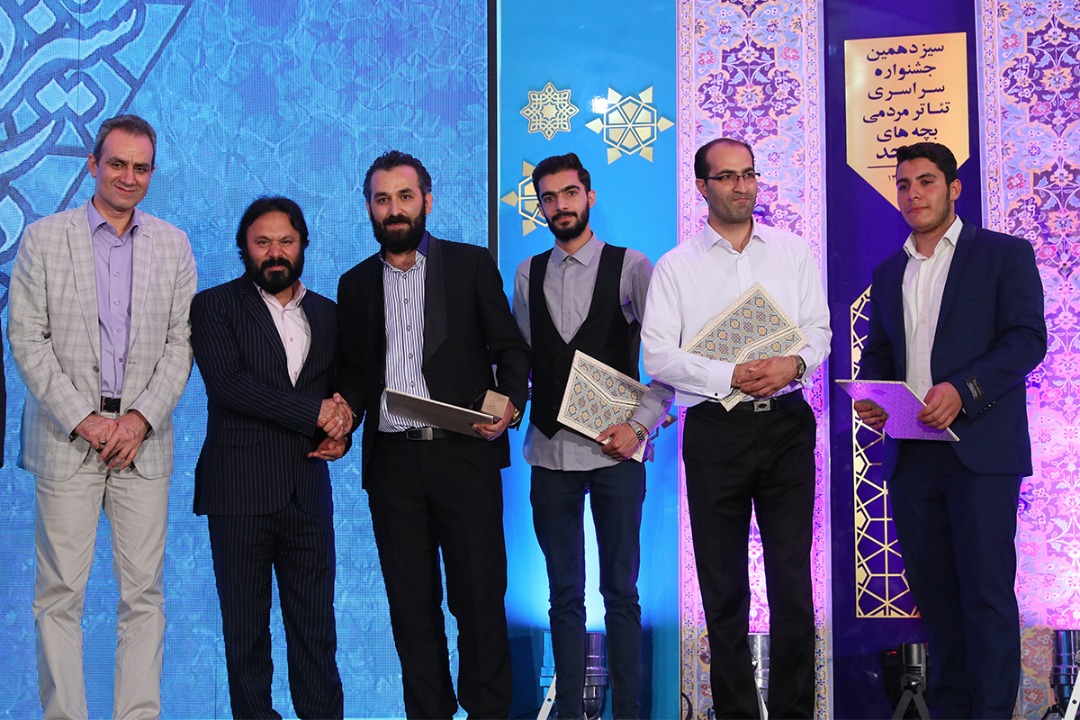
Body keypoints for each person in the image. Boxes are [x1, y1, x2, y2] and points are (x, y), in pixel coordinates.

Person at [7, 113, 197, 719]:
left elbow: (181, 345)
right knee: (59, 595)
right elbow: (26, 339)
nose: (128, 177)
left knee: (144, 596)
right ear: (93, 165)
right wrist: (86, 421)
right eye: (117, 163)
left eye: (141, 167)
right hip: (68, 441)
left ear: (152, 172)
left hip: (144, 444)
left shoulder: (174, 244)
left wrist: (138, 421)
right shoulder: (43, 239)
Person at [854, 142, 1046, 719]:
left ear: (954, 188)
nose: (913, 194)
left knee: (986, 597)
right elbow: (880, 352)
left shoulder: (1004, 254)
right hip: (913, 455)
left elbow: (1027, 340)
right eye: (904, 184)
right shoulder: (889, 271)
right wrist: (874, 396)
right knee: (936, 602)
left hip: (980, 453)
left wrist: (963, 390)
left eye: (926, 181)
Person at [336, 150, 530, 719]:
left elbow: (510, 348)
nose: (394, 209)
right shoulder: (354, 284)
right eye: (382, 199)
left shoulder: (469, 264)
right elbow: (355, 373)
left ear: (427, 200)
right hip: (392, 466)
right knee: (411, 609)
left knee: (480, 601)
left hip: (464, 456)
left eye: (405, 196)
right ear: (369, 208)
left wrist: (508, 402)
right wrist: (341, 420)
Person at [640, 138, 830, 719]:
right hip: (714, 431)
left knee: (792, 584)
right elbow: (658, 357)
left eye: (748, 174)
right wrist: (732, 374)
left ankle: (795, 713)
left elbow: (819, 331)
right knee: (722, 590)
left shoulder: (792, 251)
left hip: (788, 425)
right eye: (726, 177)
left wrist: (793, 364)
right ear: (702, 186)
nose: (741, 185)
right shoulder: (676, 266)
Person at [512, 152, 672, 720]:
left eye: (570, 193)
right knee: (563, 596)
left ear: (590, 196)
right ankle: (569, 713)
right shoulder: (527, 274)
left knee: (621, 593)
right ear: (540, 206)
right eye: (549, 198)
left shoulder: (632, 266)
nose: (560, 205)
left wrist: (639, 427)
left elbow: (668, 361)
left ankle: (626, 711)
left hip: (616, 455)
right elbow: (523, 360)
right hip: (549, 452)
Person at [191, 196, 351, 719]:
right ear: (244, 247)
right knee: (246, 636)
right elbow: (230, 386)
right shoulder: (214, 306)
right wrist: (315, 413)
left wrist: (344, 432)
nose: (275, 252)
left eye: (286, 241)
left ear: (303, 245)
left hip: (307, 493)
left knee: (317, 633)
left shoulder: (328, 313)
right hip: (238, 492)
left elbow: (341, 395)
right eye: (262, 242)